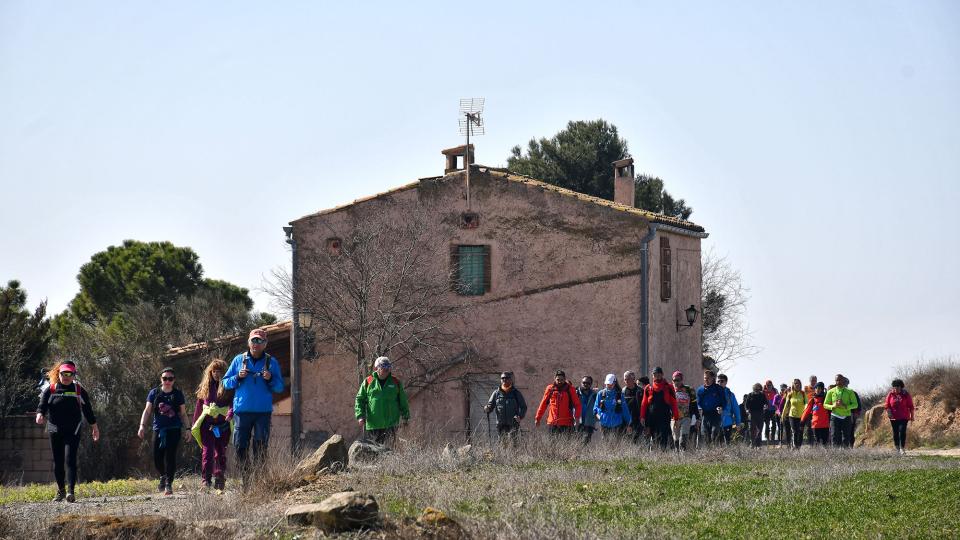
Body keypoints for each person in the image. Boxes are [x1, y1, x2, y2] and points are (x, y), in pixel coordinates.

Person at [223, 328, 285, 477]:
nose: (256, 343)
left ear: (265, 344)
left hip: (262, 413)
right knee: (240, 447)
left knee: (261, 448)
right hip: (242, 412)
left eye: (260, 340)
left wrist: (270, 378)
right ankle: (246, 481)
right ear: (248, 342)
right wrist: (237, 377)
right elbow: (225, 383)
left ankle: (259, 482)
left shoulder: (271, 362)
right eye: (254, 340)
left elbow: (280, 387)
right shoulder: (239, 360)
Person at [36, 360, 99, 502]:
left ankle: (71, 491)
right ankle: (61, 491)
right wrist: (39, 414)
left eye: (69, 373)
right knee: (58, 461)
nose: (66, 376)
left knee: (70, 459)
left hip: (73, 430)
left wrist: (94, 427)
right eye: (63, 373)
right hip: (54, 429)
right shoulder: (51, 389)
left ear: (74, 374)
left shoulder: (78, 390)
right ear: (59, 374)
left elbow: (88, 410)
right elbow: (42, 405)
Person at [137, 367, 190, 496]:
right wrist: (142, 425)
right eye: (165, 378)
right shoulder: (154, 393)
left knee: (170, 456)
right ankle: (163, 475)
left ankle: (168, 484)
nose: (167, 381)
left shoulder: (177, 394)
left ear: (174, 380)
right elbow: (147, 410)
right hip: (159, 429)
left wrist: (188, 429)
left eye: (170, 379)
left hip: (174, 429)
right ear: (161, 379)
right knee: (157, 457)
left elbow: (183, 413)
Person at [191, 359, 233, 492]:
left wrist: (230, 413)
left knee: (220, 453)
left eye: (219, 371)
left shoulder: (228, 387)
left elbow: (233, 402)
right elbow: (199, 407)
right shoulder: (205, 387)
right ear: (210, 372)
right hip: (207, 426)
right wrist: (194, 424)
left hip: (223, 426)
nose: (216, 373)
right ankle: (206, 481)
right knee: (207, 453)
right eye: (214, 371)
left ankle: (220, 478)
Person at [355, 356, 411, 446]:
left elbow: (403, 401)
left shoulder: (395, 382)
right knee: (375, 452)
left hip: (391, 424)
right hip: (373, 424)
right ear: (377, 368)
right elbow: (360, 399)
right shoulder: (368, 382)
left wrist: (406, 416)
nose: (386, 369)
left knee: (389, 451)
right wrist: (360, 415)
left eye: (388, 367)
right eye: (383, 367)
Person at [640, 367, 680, 450]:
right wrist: (642, 417)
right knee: (654, 439)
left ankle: (665, 456)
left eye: (658, 374)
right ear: (652, 376)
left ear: (662, 375)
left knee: (664, 438)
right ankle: (657, 457)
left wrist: (676, 417)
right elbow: (644, 404)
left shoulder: (669, 387)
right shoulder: (648, 388)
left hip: (664, 417)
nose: (657, 377)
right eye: (655, 375)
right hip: (652, 418)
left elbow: (673, 403)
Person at [484, 371, 526, 446]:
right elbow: (490, 405)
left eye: (506, 378)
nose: (504, 380)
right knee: (502, 446)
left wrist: (520, 416)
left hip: (513, 424)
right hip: (501, 425)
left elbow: (523, 407)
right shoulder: (496, 393)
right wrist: (487, 408)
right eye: (502, 378)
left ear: (511, 380)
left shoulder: (516, 393)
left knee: (513, 446)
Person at [535, 370, 581, 435]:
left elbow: (577, 405)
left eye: (562, 380)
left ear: (565, 379)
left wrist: (577, 418)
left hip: (566, 423)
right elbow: (543, 404)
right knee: (552, 444)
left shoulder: (570, 389)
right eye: (558, 379)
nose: (559, 381)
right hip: (552, 422)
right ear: (555, 379)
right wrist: (538, 418)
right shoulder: (550, 389)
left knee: (565, 444)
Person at [824, 373, 859, 448]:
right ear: (835, 381)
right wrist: (833, 406)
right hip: (835, 416)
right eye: (837, 380)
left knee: (846, 437)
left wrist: (845, 406)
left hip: (846, 416)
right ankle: (835, 454)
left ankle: (845, 454)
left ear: (843, 381)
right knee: (834, 436)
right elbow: (825, 405)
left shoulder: (850, 391)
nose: (838, 382)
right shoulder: (830, 391)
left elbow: (855, 404)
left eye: (840, 380)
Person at [594, 374, 631, 439]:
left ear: (614, 383)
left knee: (616, 446)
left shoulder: (619, 395)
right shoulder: (600, 394)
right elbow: (595, 408)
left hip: (617, 425)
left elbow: (625, 410)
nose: (609, 386)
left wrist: (629, 423)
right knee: (606, 446)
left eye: (611, 384)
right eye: (607, 384)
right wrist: (600, 417)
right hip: (604, 425)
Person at [884, 379, 914, 455]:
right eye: (894, 387)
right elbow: (887, 405)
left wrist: (912, 416)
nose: (896, 389)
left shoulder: (905, 394)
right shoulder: (890, 394)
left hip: (904, 416)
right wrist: (889, 412)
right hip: (893, 417)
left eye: (897, 387)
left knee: (902, 431)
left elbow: (911, 406)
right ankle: (897, 448)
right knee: (895, 432)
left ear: (901, 387)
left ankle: (902, 448)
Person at [696, 370, 725, 445]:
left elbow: (724, 401)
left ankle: (714, 452)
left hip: (716, 415)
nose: (706, 380)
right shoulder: (700, 390)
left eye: (708, 378)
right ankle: (708, 454)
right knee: (705, 435)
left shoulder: (719, 389)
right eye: (705, 378)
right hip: (705, 415)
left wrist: (721, 408)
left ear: (713, 378)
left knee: (714, 433)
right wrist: (699, 408)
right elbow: (698, 403)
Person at [671, 371, 697, 452]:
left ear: (682, 380)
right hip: (674, 419)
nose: (676, 382)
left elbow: (694, 404)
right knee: (676, 440)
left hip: (686, 418)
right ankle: (677, 459)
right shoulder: (670, 390)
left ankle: (684, 457)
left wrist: (697, 417)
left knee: (683, 439)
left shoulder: (689, 389)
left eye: (678, 380)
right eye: (674, 380)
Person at [782, 379, 807, 449]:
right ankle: (794, 446)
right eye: (795, 383)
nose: (797, 385)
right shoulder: (790, 394)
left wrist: (806, 408)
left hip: (801, 416)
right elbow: (786, 405)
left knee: (800, 431)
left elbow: (806, 403)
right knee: (794, 431)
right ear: (793, 385)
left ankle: (799, 446)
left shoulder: (803, 393)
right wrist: (783, 415)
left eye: (798, 383)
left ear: (800, 385)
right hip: (792, 416)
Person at [717, 373, 741, 444]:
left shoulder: (730, 395)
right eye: (718, 381)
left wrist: (738, 423)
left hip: (727, 421)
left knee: (727, 442)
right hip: (715, 421)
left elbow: (736, 409)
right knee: (716, 443)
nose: (719, 383)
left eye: (721, 381)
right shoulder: (713, 393)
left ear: (726, 382)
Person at [622, 371, 644, 444]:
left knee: (639, 444)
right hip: (626, 423)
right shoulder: (622, 392)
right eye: (625, 379)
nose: (626, 381)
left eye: (628, 379)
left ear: (633, 379)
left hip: (638, 422)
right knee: (627, 444)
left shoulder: (640, 391)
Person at [744, 383, 767, 448]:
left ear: (760, 388)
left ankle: (759, 445)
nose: (757, 389)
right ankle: (752, 443)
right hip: (752, 414)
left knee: (760, 429)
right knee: (752, 429)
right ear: (753, 388)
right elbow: (746, 405)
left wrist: (765, 406)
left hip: (760, 414)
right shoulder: (750, 395)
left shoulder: (762, 395)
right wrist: (747, 410)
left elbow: (766, 403)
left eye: (758, 388)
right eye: (756, 388)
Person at [576, 376, 597, 444]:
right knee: (575, 443)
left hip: (589, 423)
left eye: (588, 383)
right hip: (577, 422)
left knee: (585, 444)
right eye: (584, 382)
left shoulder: (595, 395)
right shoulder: (576, 393)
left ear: (591, 384)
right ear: (581, 383)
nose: (585, 384)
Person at [803, 375, 818, 444]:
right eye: (812, 380)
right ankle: (810, 442)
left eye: (815, 380)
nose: (814, 382)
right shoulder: (806, 388)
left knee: (816, 426)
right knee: (809, 426)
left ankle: (816, 442)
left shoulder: (818, 388)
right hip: (808, 410)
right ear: (810, 381)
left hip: (816, 410)